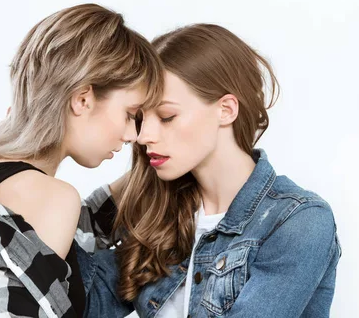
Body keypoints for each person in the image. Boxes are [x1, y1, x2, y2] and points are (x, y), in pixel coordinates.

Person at [0, 3, 164, 317]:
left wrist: (155, 170)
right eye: (130, 115)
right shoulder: (50, 199)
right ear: (82, 99)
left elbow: (68, 235)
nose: (133, 136)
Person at [83, 24, 342, 317]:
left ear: (226, 109)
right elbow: (73, 301)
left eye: (167, 116)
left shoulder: (298, 221)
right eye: (141, 119)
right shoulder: (161, 215)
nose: (143, 137)